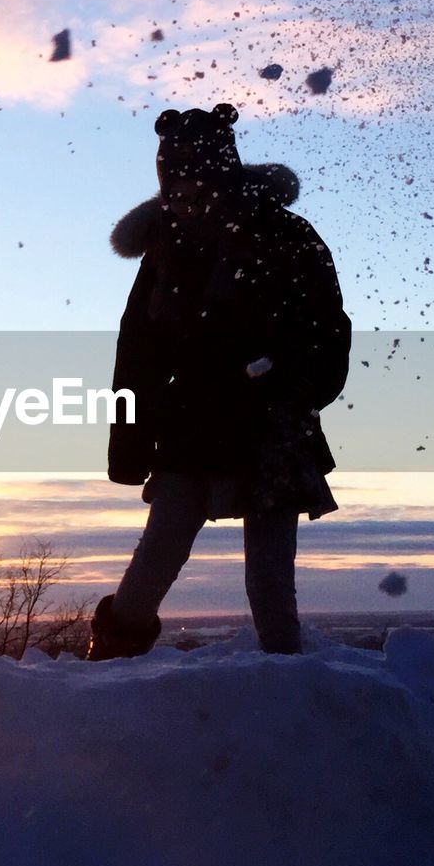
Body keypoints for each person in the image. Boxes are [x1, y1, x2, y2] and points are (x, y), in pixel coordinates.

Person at [87, 103, 351, 660]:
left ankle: (291, 687)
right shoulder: (163, 249)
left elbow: (327, 327)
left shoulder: (285, 235)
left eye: (195, 186)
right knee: (158, 552)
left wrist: (297, 388)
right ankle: (108, 666)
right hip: (193, 421)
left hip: (272, 422)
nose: (186, 201)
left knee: (270, 577)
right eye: (175, 189)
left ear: (223, 177)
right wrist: (130, 443)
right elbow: (136, 355)